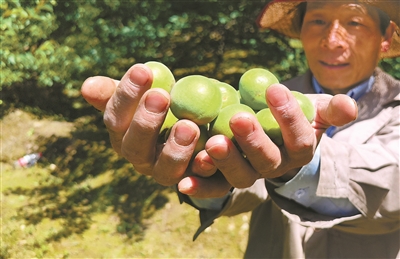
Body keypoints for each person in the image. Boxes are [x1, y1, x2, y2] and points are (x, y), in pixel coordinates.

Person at [81, 0, 400, 258]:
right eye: (317, 21)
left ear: (385, 37)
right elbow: (250, 188)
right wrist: (206, 171)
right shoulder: (268, 99)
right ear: (301, 31)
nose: (332, 40)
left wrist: (301, 164)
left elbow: (392, 198)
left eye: (353, 22)